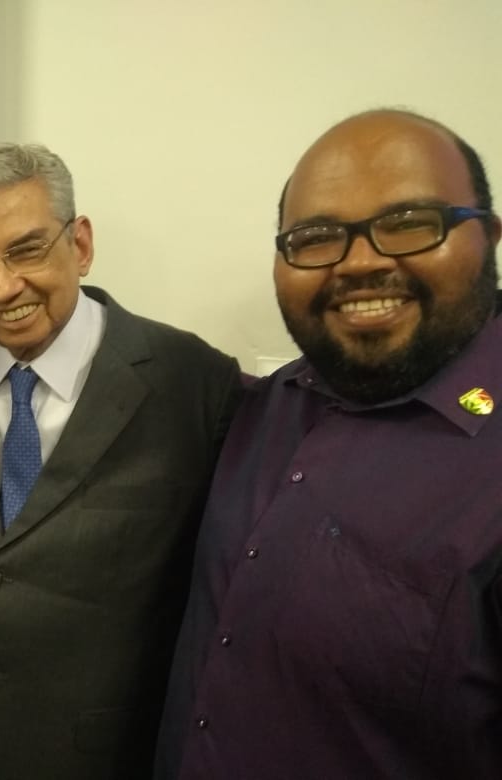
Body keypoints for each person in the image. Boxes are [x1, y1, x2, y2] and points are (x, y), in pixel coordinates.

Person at [154, 109, 502, 779]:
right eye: (316, 238)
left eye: (408, 224)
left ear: (485, 237)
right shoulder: (265, 407)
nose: (361, 263)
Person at [0, 142, 242, 780]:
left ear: (79, 244)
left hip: (105, 758)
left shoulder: (194, 384)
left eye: (26, 249)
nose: (2, 287)